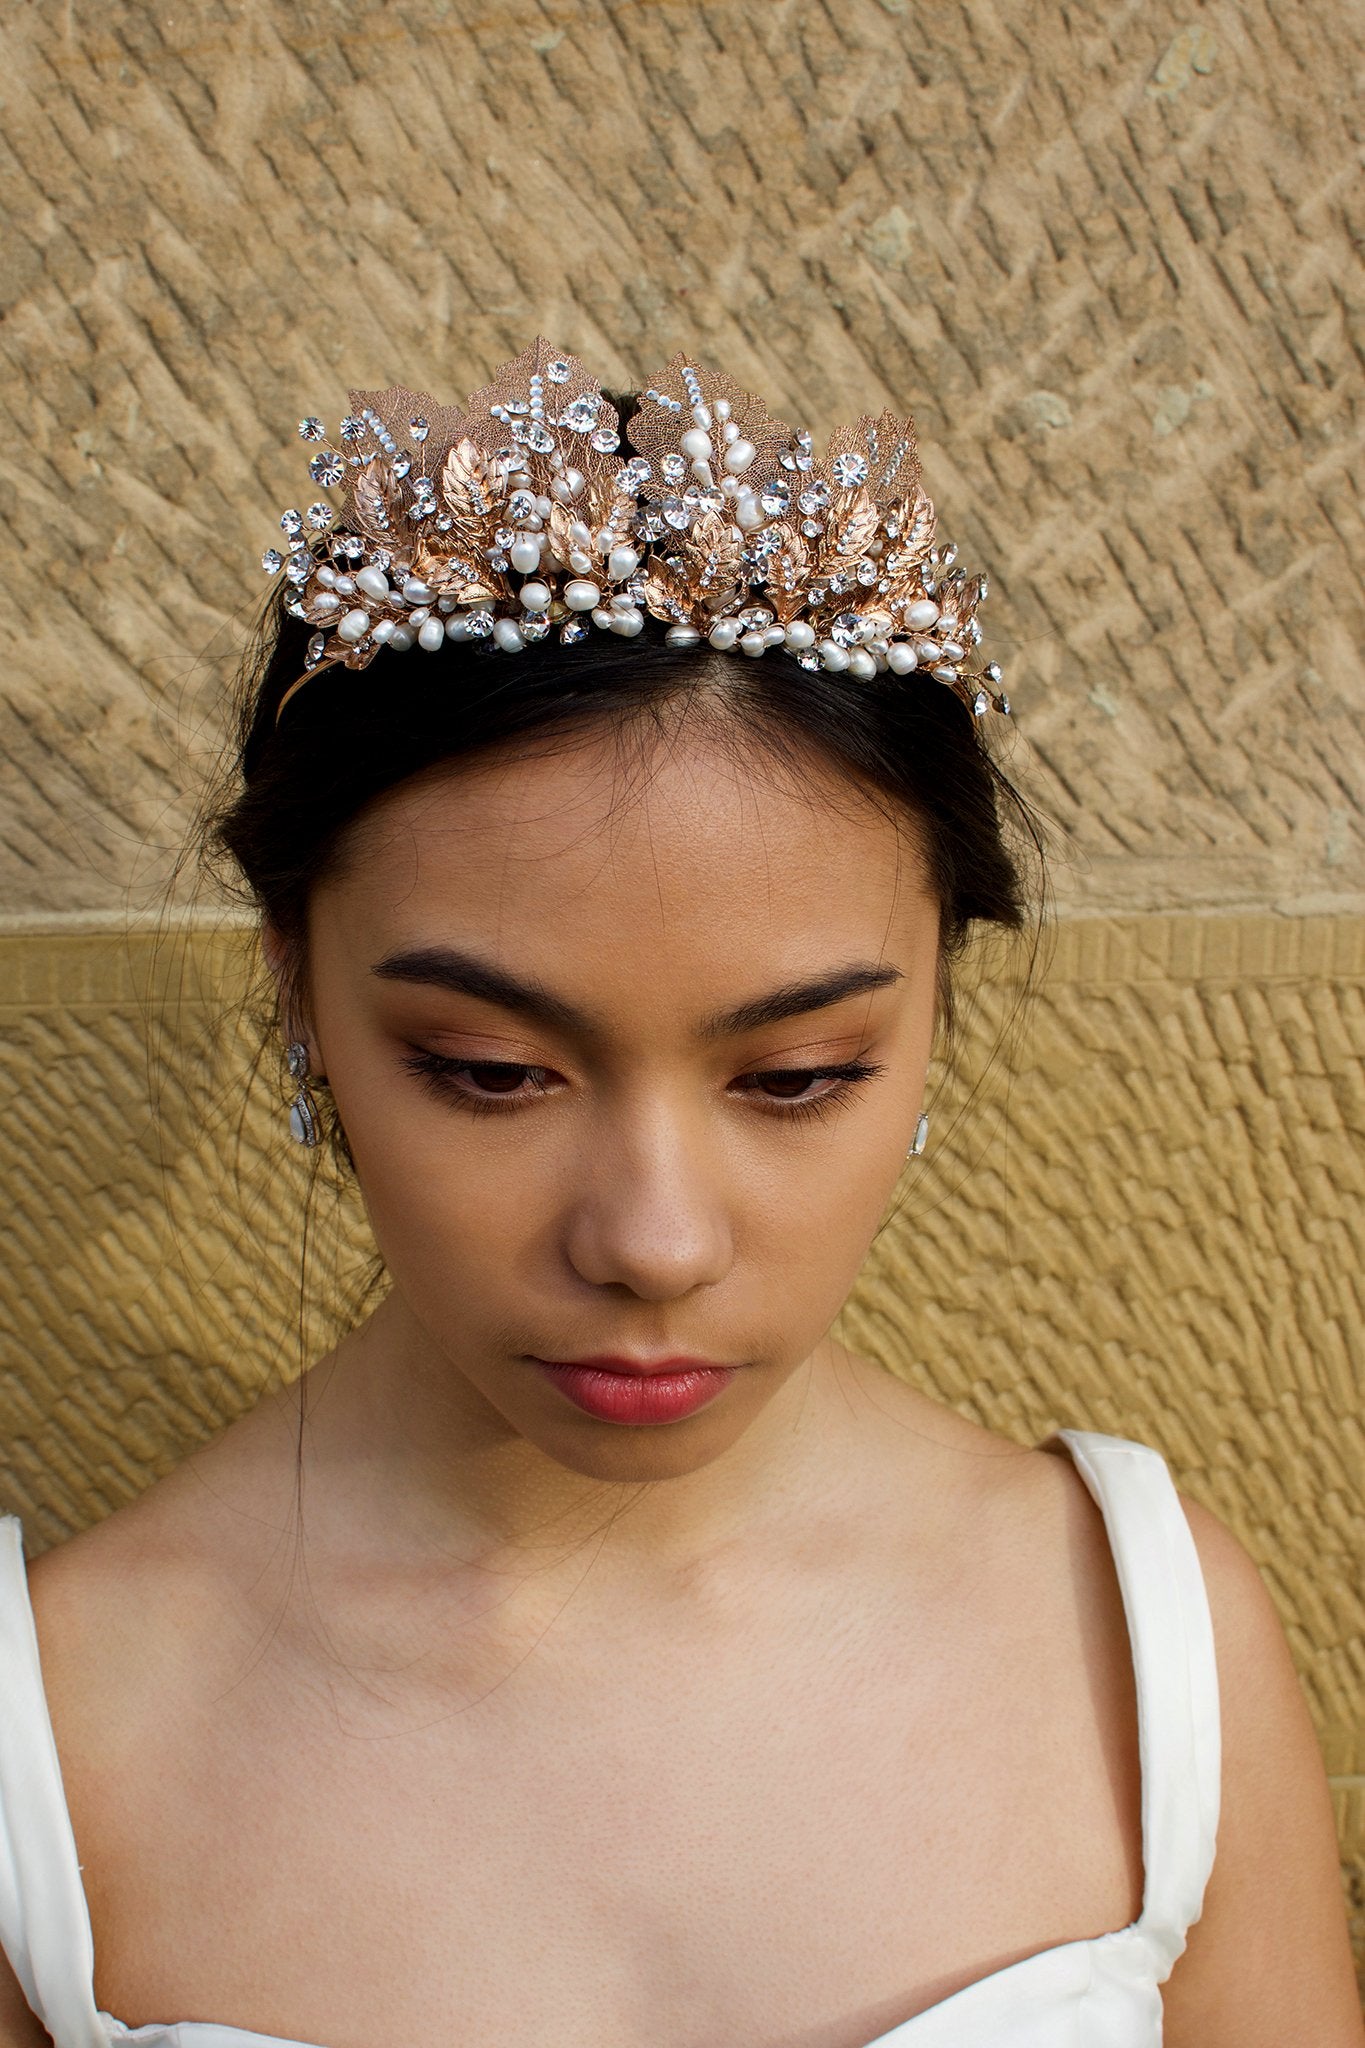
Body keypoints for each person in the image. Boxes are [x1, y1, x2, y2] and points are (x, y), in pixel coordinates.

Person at [0, 343, 1358, 2047]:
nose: (652, 1241)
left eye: (794, 1079)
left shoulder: (1140, 1647)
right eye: (491, 1073)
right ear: (298, 994)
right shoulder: (45, 1744)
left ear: (932, 1007)